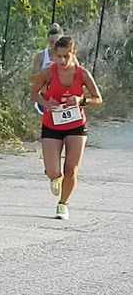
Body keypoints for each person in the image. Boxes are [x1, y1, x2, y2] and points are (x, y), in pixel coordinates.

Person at [31, 36, 102, 220]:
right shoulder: (48, 73)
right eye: (59, 56)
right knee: (54, 171)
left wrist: (82, 100)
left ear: (73, 54)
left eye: (66, 56)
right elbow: (34, 92)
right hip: (51, 124)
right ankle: (55, 178)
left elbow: (98, 98)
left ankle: (63, 204)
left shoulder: (83, 74)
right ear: (53, 55)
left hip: (76, 125)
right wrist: (46, 103)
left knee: (71, 169)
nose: (62, 61)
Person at [30, 23, 79, 114]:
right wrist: (45, 72)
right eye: (51, 42)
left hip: (65, 98)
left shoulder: (69, 56)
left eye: (57, 42)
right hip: (46, 98)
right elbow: (32, 79)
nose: (54, 45)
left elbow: (79, 75)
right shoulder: (41, 56)